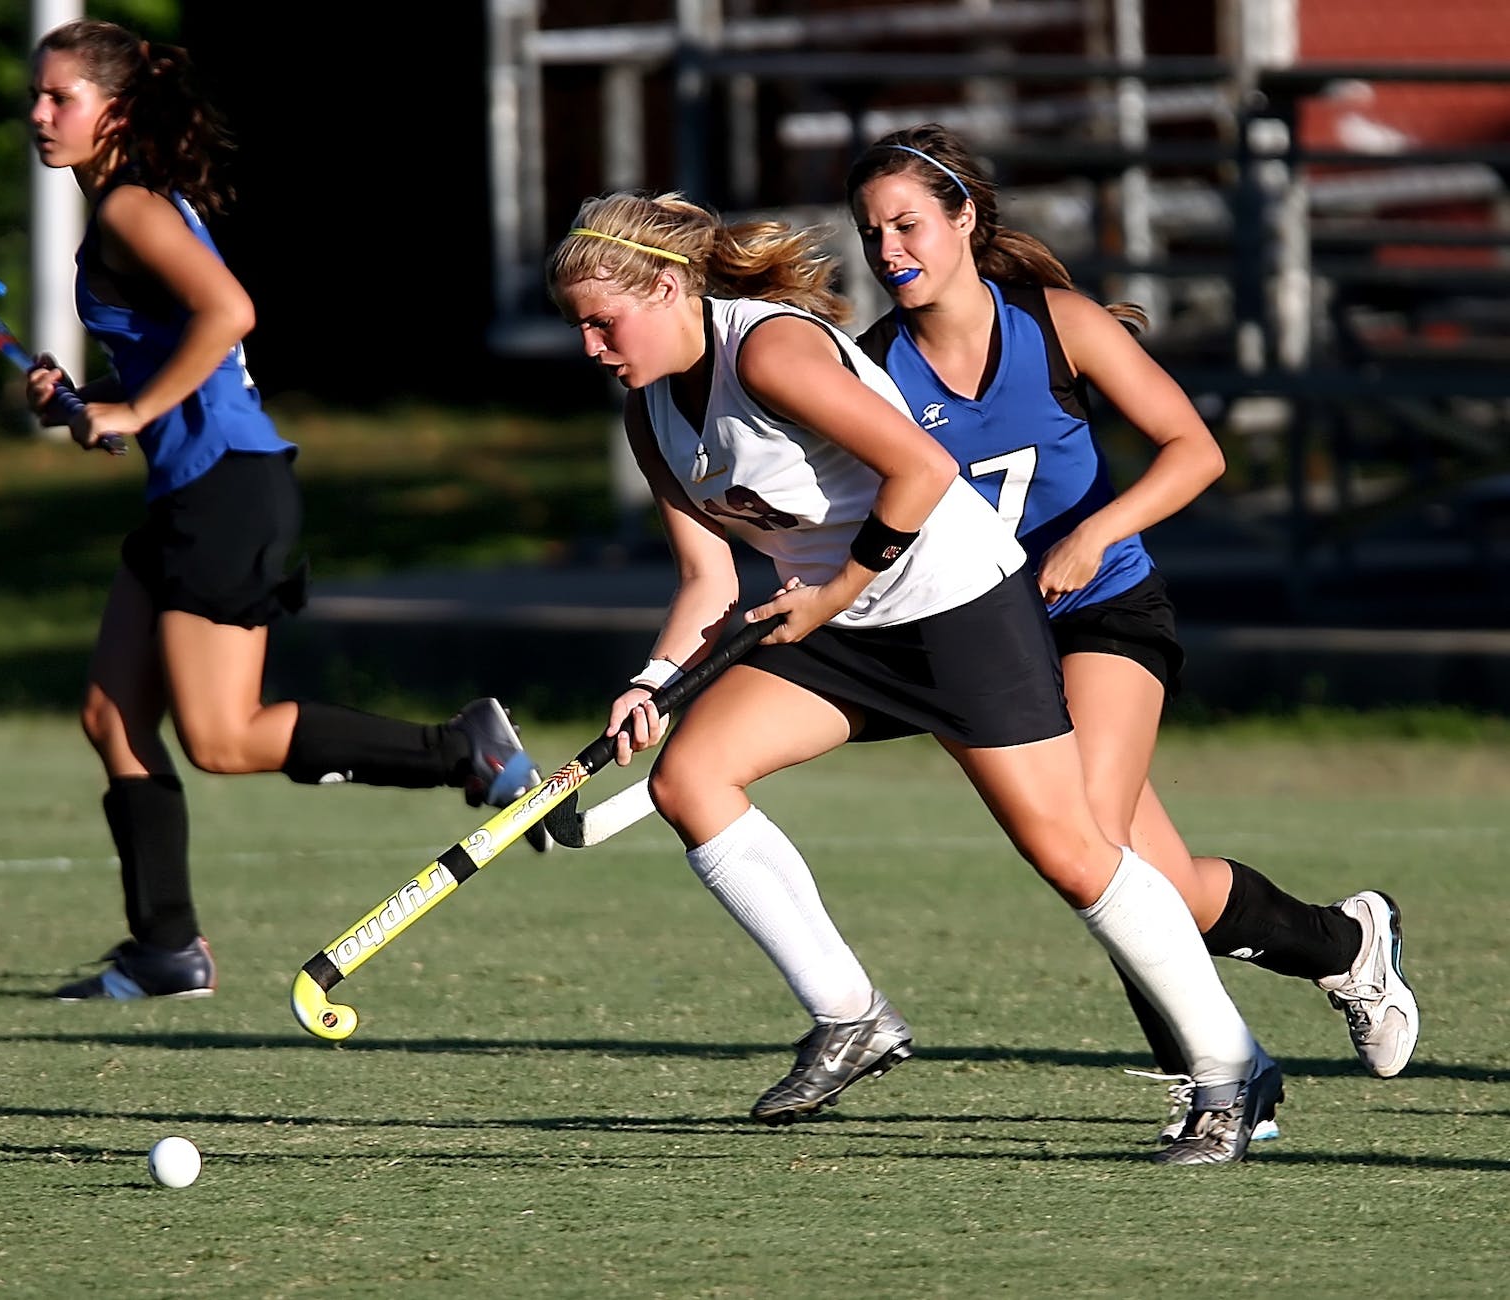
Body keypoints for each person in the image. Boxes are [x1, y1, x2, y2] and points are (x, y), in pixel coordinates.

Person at [547, 190, 1281, 1165]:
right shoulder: (651, 416)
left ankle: (1230, 1070)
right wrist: (652, 680)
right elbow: (705, 580)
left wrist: (831, 589)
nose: (593, 346)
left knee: (1070, 851)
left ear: (674, 286)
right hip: (840, 622)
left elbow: (922, 469)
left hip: (953, 605)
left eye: (605, 321)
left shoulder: (767, 350)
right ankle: (848, 1015)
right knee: (690, 777)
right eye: (579, 329)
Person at [841, 122, 1419, 1134]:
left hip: (1104, 608)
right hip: (989, 640)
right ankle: (1341, 944)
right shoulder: (873, 368)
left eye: (907, 223)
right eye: (870, 230)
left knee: (1091, 845)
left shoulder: (1056, 324)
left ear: (963, 219)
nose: (888, 248)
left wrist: (1090, 534)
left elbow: (1193, 451)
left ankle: (1223, 1084)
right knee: (1164, 887)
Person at [23, 19, 547, 1002]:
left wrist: (130, 409)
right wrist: (86, 398)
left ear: (117, 112)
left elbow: (230, 314)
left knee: (221, 738)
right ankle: (164, 950)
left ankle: (461, 751)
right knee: (111, 712)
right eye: (37, 97)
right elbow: (180, 347)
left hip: (225, 491)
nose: (40, 115)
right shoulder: (128, 207)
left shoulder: (134, 207)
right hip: (191, 487)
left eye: (62, 98)